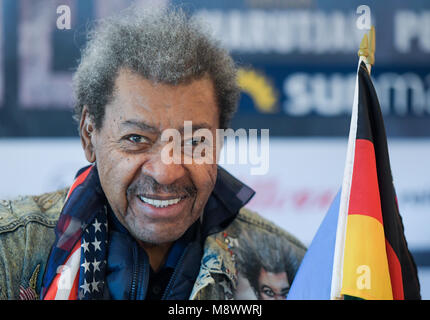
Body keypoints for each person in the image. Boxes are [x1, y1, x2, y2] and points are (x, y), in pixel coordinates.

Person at [0, 7, 306, 300]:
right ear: (89, 135)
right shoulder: (9, 252)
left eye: (192, 142)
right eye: (136, 138)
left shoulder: (289, 269)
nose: (165, 171)